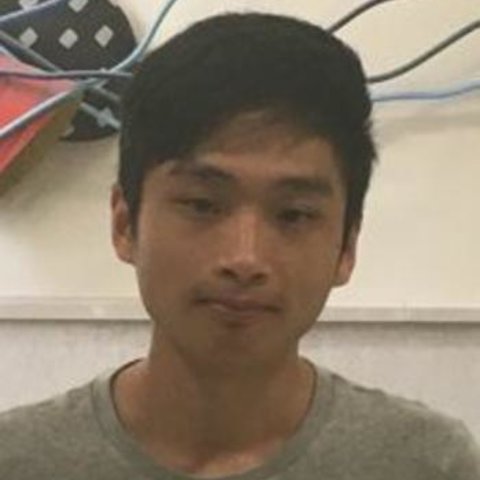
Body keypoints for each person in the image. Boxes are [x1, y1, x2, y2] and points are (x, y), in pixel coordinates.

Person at [0, 12, 479, 480]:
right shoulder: (18, 460)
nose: (245, 258)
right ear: (126, 223)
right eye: (203, 205)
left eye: (293, 215)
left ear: (346, 248)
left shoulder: (427, 464)